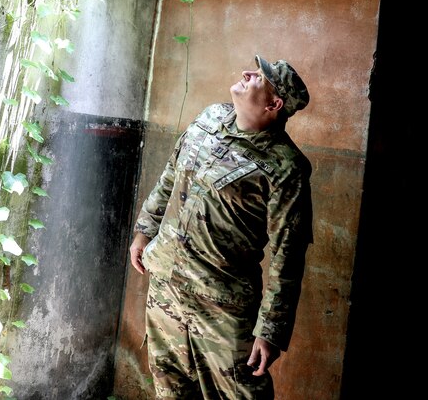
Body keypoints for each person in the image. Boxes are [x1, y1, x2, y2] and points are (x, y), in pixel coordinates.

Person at [128, 55, 313, 399]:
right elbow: (170, 176)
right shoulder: (208, 118)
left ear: (274, 104)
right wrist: (144, 232)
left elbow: (288, 254)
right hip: (166, 285)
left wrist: (270, 330)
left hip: (221, 305)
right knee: (169, 387)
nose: (247, 74)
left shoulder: (287, 167)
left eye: (260, 77)